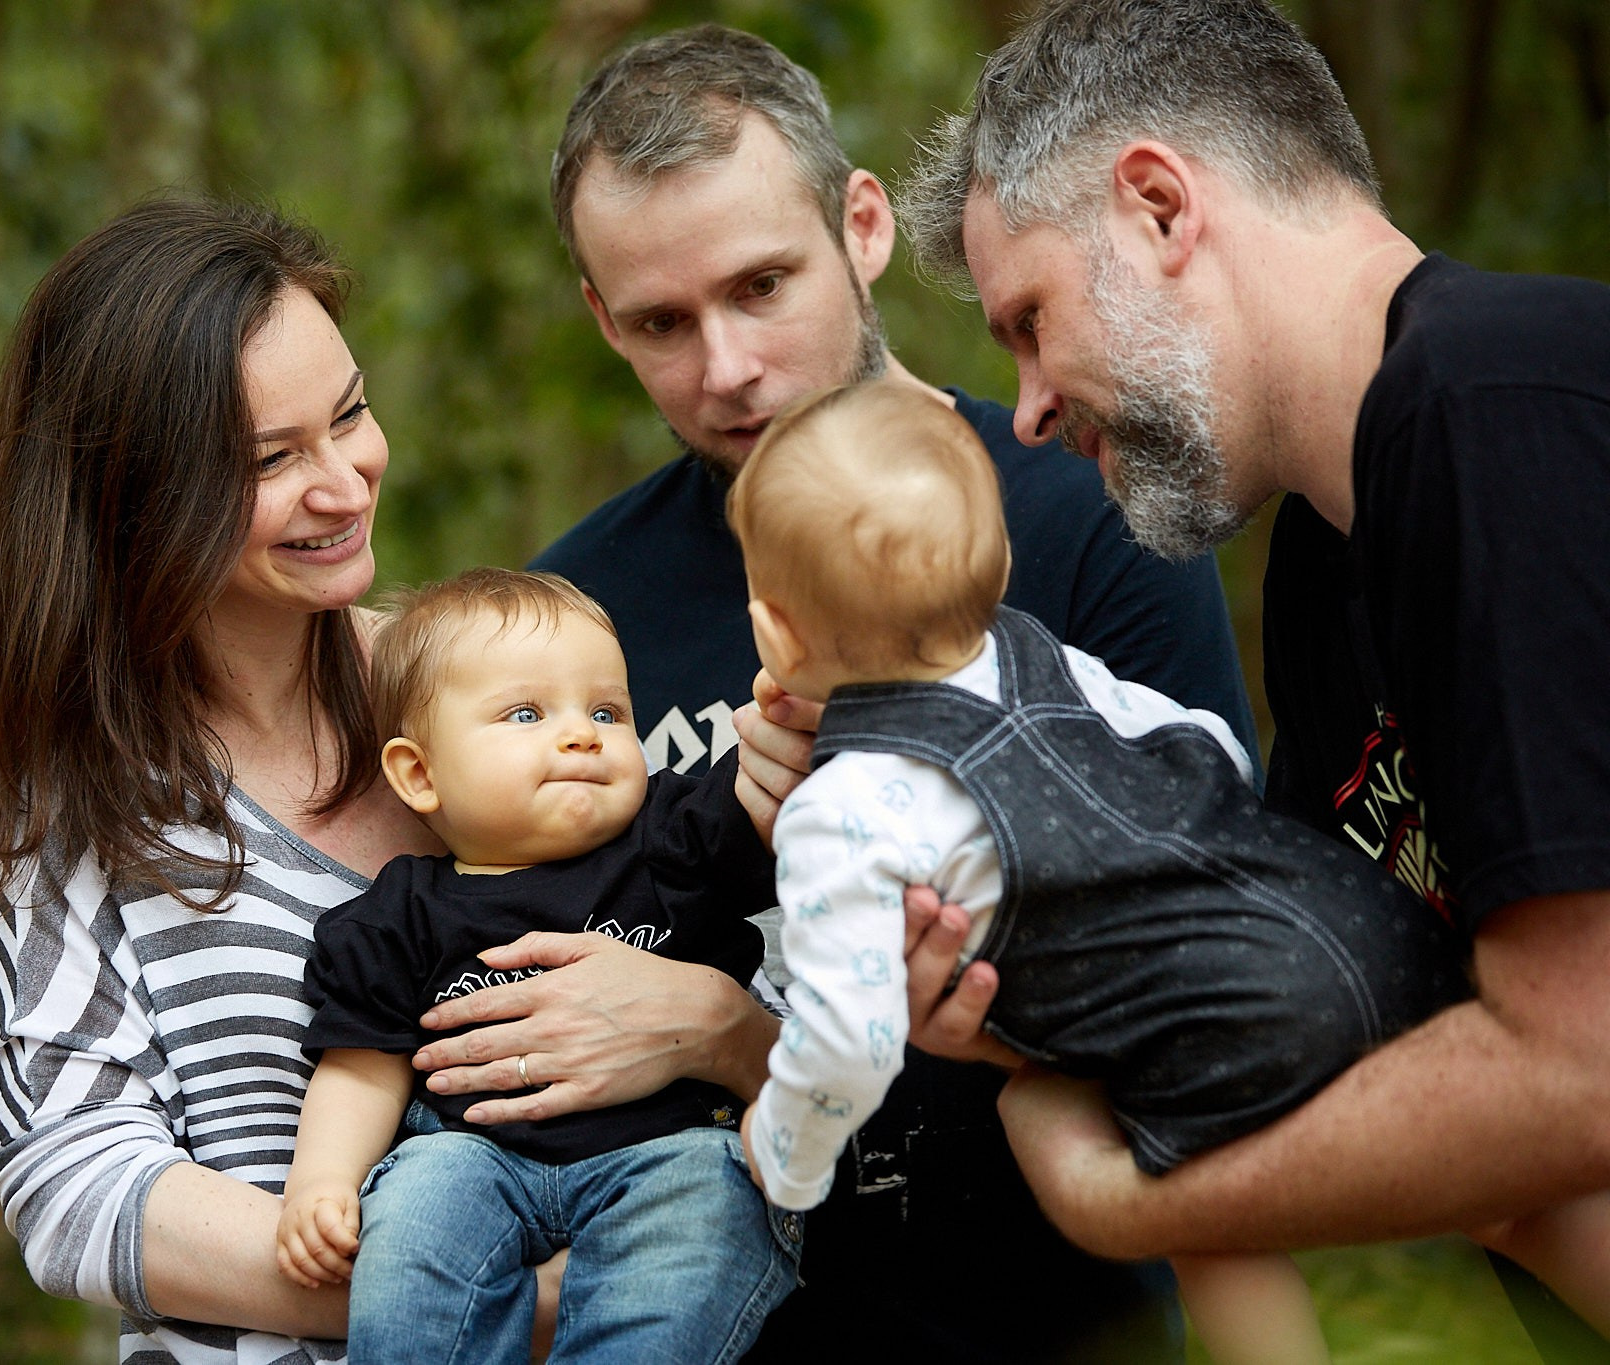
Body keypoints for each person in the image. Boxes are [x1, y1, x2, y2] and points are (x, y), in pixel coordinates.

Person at [407, 25, 1257, 1362]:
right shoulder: (577, 609)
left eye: (762, 286)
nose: (725, 366)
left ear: (861, 225)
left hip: (1048, 1319)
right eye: (660, 323)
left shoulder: (1077, 512)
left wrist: (740, 1032)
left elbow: (1212, 969)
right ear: (599, 316)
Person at [0, 199, 820, 1364]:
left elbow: (797, 1025)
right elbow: (75, 1189)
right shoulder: (73, 802)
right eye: (271, 460)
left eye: (347, 415)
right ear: (136, 499)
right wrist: (494, 1303)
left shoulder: (494, 704)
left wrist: (717, 1031)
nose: (343, 484)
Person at [898, 0, 1610, 1353]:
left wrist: (1132, 1205)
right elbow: (1314, 998)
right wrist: (1005, 1004)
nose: (1031, 405)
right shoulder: (1329, 570)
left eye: (1031, 318)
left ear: (1161, 207)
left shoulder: (1497, 411)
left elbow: (1579, 1074)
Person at [729, 378, 1488, 1363]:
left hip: (1215, 1024)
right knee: (1505, 1188)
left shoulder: (836, 811)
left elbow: (851, 1036)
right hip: (1347, 911)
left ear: (776, 635)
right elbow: (1199, 739)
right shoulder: (1041, 655)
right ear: (997, 565)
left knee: (1205, 1236)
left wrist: (782, 1154)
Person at [276, 567, 797, 1364]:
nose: (582, 733)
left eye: (607, 710)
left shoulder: (671, 838)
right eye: (526, 713)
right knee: (412, 1206)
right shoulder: (401, 910)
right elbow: (361, 1066)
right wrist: (321, 1182)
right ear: (419, 773)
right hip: (475, 1155)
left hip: (669, 1150)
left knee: (708, 1204)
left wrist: (799, 713)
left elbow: (766, 794)